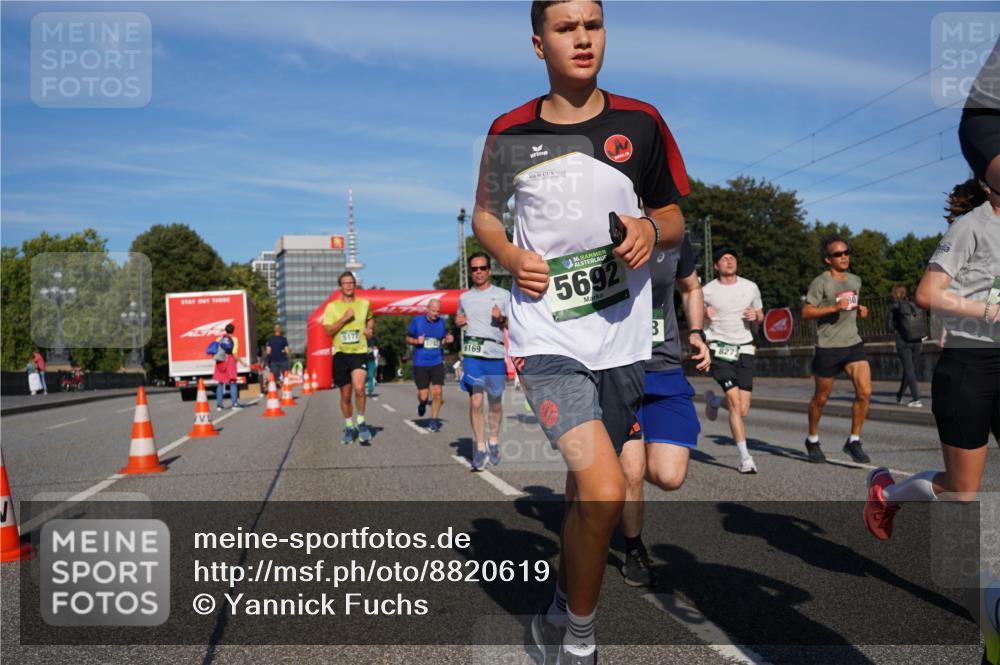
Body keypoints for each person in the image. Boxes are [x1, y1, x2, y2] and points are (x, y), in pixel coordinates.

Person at [473, 2, 688, 661]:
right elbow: (486, 217)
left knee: (583, 497)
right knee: (601, 488)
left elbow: (675, 215)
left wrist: (652, 230)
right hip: (546, 342)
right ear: (539, 43)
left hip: (623, 343)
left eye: (592, 24)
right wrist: (510, 257)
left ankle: (559, 610)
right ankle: (580, 644)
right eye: (566, 28)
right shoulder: (511, 130)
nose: (582, 38)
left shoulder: (641, 122)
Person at [619, 236, 708, 587]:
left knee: (669, 476)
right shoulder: (596, 234)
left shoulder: (673, 240)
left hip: (664, 369)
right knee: (631, 472)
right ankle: (633, 547)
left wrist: (697, 332)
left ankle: (612, 485)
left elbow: (691, 287)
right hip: (616, 369)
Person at [801, 237, 872, 464]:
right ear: (828, 259)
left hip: (852, 343)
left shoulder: (855, 280)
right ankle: (812, 439)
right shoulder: (820, 283)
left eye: (846, 252)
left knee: (865, 392)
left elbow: (849, 305)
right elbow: (806, 312)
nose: (844, 256)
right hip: (829, 346)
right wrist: (832, 307)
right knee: (821, 398)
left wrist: (860, 308)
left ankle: (854, 440)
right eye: (838, 254)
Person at [700, 248, 764, 473]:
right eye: (724, 259)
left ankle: (714, 402)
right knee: (735, 403)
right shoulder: (706, 291)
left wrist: (756, 317)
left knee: (743, 409)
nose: (729, 261)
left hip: (745, 348)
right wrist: (703, 314)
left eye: (732, 258)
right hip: (719, 348)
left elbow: (760, 314)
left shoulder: (750, 287)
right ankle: (746, 458)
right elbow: (694, 318)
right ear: (716, 266)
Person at [454, 252, 511, 470]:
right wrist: (459, 322)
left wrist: (501, 318)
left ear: (489, 270)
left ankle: (493, 441)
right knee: (476, 402)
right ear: (471, 271)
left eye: (482, 268)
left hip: (495, 353)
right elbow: (461, 319)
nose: (478, 272)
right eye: (474, 269)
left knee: (495, 402)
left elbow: (512, 325)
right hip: (472, 354)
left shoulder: (503, 295)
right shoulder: (464, 298)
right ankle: (479, 447)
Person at [323, 272, 374, 445]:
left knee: (359, 388)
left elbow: (370, 320)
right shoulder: (332, 307)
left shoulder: (364, 304)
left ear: (355, 285)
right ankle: (349, 426)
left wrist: (369, 330)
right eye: (345, 283)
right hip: (340, 353)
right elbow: (328, 331)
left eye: (351, 282)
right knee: (345, 395)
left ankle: (361, 422)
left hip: (359, 351)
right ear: (340, 287)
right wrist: (344, 319)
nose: (349, 286)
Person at [405, 298, 453, 432]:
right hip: (420, 363)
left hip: (436, 361)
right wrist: (416, 341)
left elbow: (442, 341)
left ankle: (433, 420)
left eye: (438, 311)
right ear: (427, 308)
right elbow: (407, 338)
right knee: (424, 395)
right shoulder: (417, 321)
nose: (436, 314)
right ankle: (422, 403)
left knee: (438, 392)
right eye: (433, 311)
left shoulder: (442, 323)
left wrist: (448, 340)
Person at [888, 284, 925, 408]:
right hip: (918, 341)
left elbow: (889, 328)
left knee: (909, 370)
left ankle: (916, 399)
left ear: (895, 294)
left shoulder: (894, 307)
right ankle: (899, 396)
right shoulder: (914, 305)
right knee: (908, 370)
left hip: (903, 342)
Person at [213, 323, 244, 410]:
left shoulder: (219, 338)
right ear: (233, 330)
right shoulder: (234, 339)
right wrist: (241, 362)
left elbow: (215, 350)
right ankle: (234, 404)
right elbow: (234, 353)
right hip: (230, 361)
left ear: (225, 330)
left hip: (220, 361)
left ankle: (219, 405)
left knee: (220, 383)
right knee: (233, 383)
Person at [265, 324, 291, 388]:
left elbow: (268, 351)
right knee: (286, 376)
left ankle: (278, 384)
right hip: (283, 360)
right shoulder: (284, 339)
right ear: (280, 330)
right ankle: (285, 388)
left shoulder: (270, 339)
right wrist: (284, 351)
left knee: (275, 377)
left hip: (274, 361)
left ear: (274, 330)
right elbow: (287, 351)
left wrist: (268, 358)